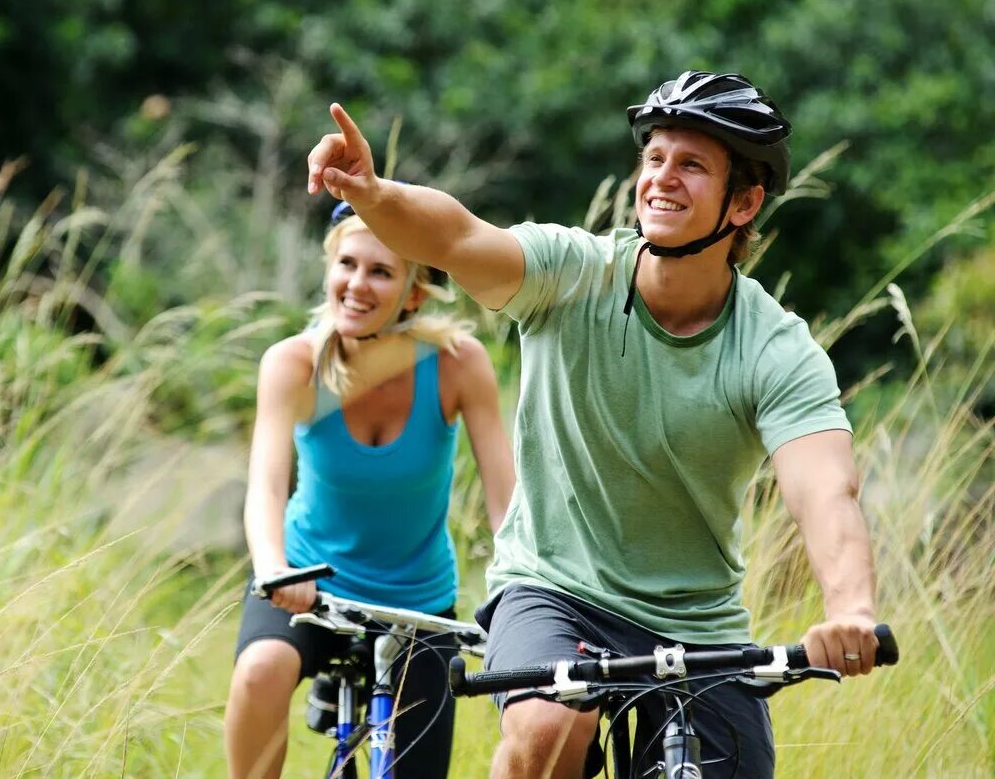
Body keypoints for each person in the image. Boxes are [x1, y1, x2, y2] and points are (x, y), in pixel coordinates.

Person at [306, 71, 881, 778]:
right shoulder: (573, 273)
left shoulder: (774, 347)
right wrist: (373, 194)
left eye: (692, 165)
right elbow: (455, 236)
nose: (662, 178)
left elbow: (825, 489)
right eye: (655, 158)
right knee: (547, 724)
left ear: (745, 202)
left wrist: (849, 608)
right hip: (553, 590)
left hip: (696, 624)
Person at [223, 202, 516, 779]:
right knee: (261, 669)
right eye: (347, 265)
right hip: (307, 585)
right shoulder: (294, 364)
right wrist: (275, 568)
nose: (357, 284)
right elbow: (267, 483)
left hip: (418, 604)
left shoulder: (458, 364)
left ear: (411, 293)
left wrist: (515, 596)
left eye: (380, 272)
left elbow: (504, 497)